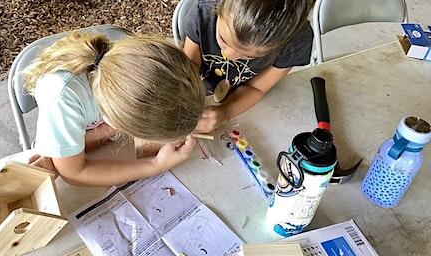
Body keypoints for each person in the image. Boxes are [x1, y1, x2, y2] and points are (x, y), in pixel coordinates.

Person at [23, 32, 205, 186]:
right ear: (117, 122)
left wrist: (69, 154)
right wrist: (155, 164)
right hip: (72, 126)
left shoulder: (133, 69)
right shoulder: (61, 96)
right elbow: (73, 174)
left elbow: (71, 161)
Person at [183, 0, 314, 133]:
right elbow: (189, 66)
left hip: (244, 96)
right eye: (223, 40)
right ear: (219, 7)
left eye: (247, 56)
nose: (229, 56)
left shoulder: (296, 43)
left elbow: (256, 87)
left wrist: (225, 113)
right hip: (199, 87)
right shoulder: (205, 10)